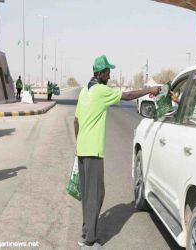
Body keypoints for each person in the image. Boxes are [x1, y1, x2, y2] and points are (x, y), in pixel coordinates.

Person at [74, 55, 159, 250]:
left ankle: (87, 231)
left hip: (82, 149)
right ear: (100, 73)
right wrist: (150, 90)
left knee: (88, 194)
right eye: (108, 72)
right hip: (94, 151)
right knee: (96, 194)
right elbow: (128, 96)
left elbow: (76, 121)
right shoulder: (101, 90)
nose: (110, 75)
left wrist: (78, 146)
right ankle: (89, 241)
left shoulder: (83, 92)